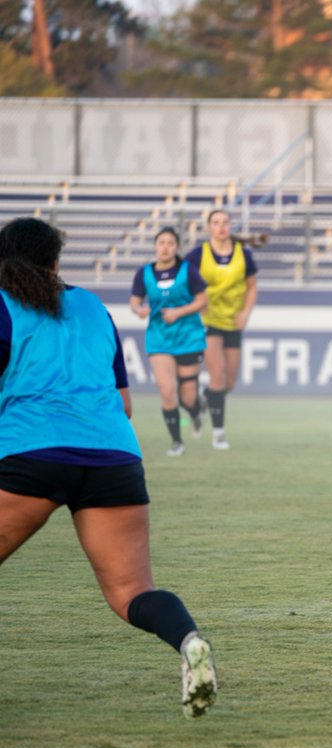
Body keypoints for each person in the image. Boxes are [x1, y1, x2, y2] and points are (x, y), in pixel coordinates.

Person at [0, 217, 217, 717]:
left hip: (31, 454)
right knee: (132, 593)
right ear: (56, 261)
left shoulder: (3, 305)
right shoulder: (94, 307)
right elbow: (124, 404)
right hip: (113, 457)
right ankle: (190, 643)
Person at [183, 209, 259, 451]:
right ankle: (219, 433)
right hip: (207, 320)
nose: (221, 226)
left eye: (225, 222)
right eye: (216, 222)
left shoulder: (243, 255)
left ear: (230, 225)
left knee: (229, 383)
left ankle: (205, 399)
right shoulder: (198, 255)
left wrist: (245, 313)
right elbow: (183, 282)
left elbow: (252, 286)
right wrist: (195, 303)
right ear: (209, 227)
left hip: (232, 321)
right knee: (217, 375)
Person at [130, 227, 208, 456]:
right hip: (159, 339)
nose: (165, 248)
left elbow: (202, 300)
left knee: (188, 397)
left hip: (188, 337)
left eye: (170, 243)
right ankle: (177, 442)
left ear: (177, 247)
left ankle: (195, 411)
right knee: (167, 390)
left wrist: (178, 312)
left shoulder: (188, 270)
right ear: (155, 246)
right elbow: (134, 302)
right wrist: (139, 310)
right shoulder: (144, 273)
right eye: (161, 243)